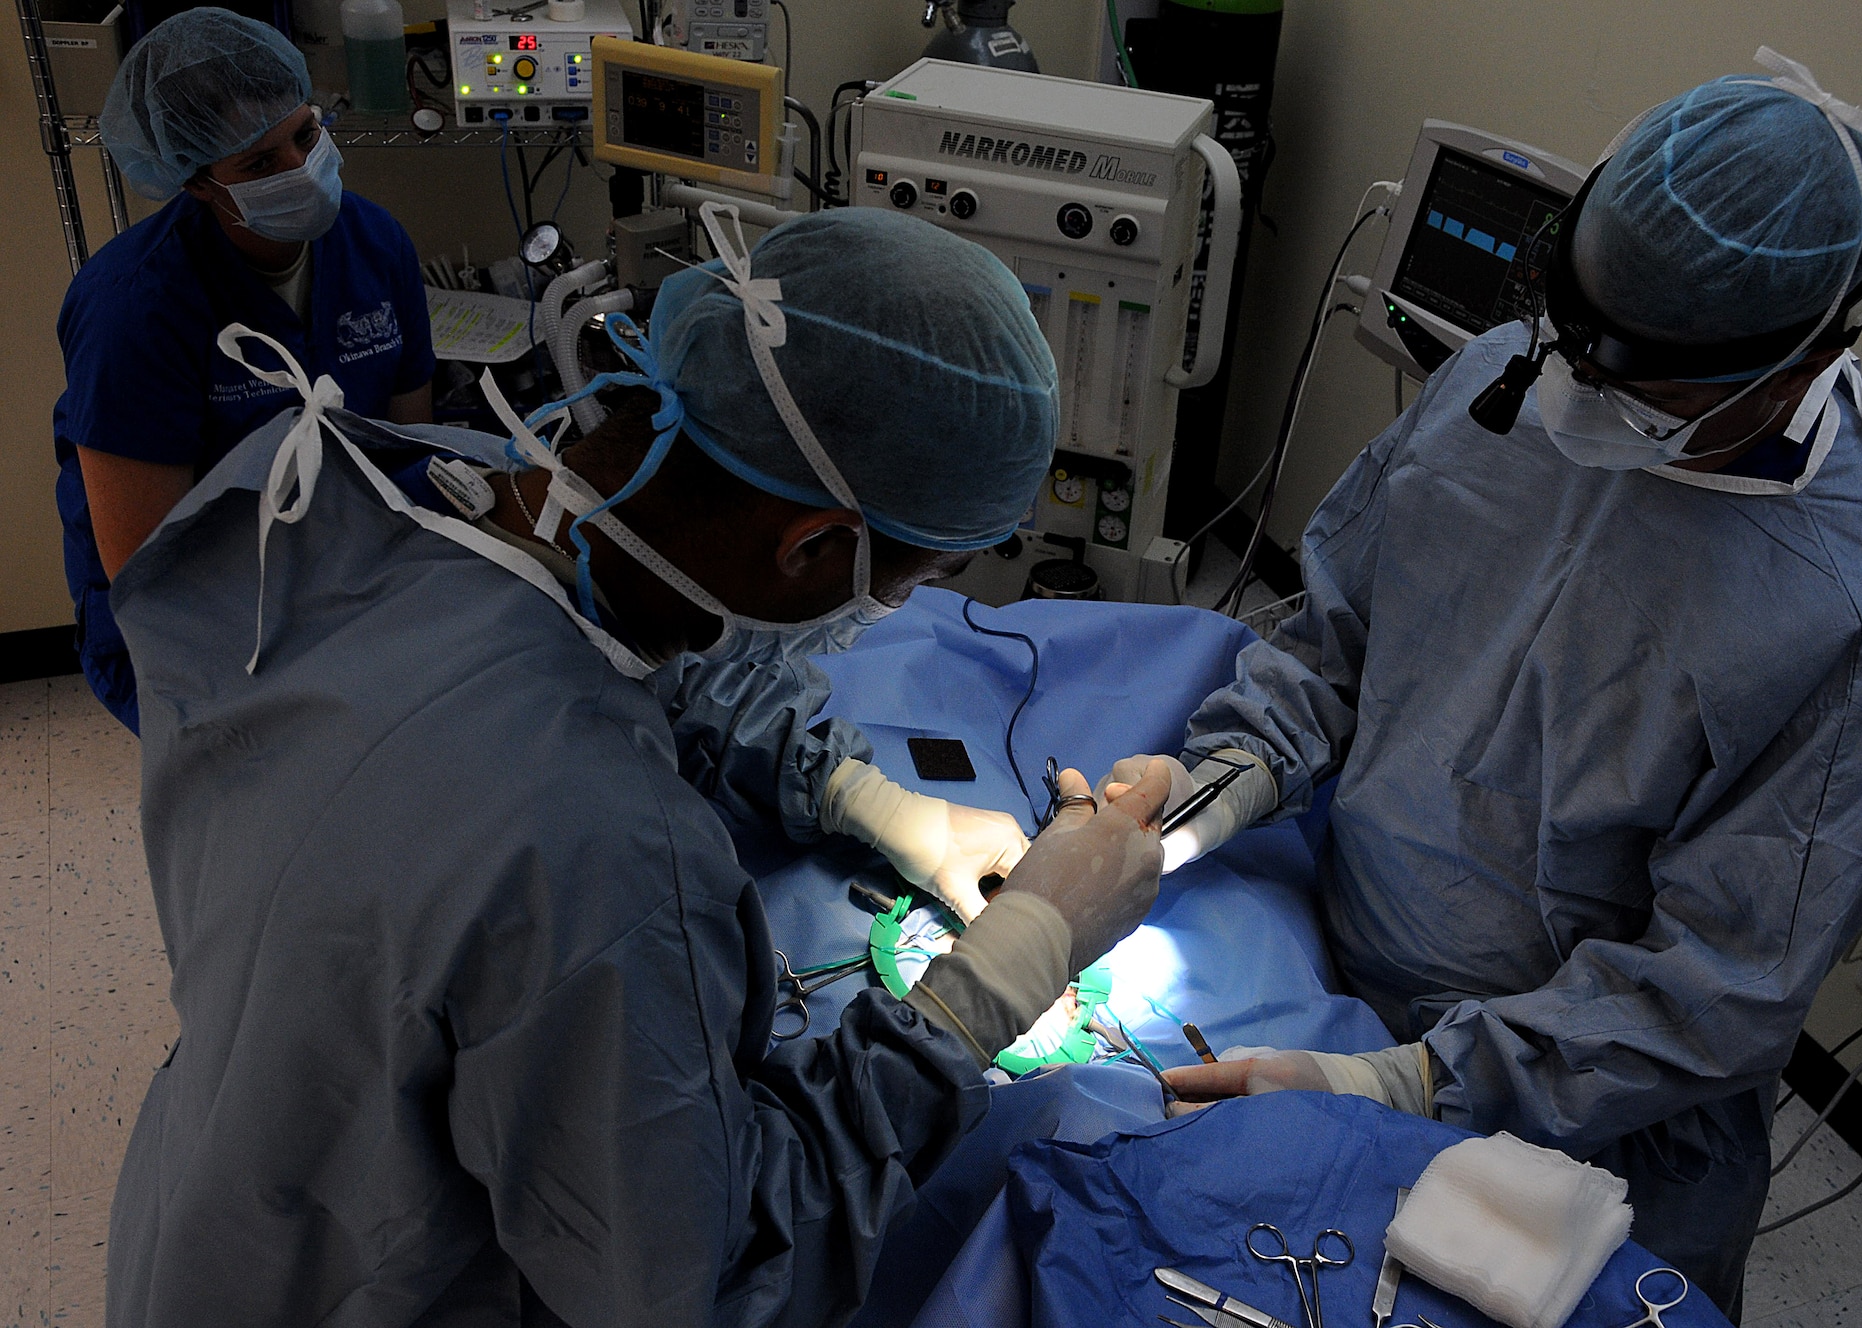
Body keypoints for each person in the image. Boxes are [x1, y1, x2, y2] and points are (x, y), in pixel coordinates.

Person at [104, 202, 1178, 1325]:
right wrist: (1000, 973)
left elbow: (644, 653)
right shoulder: (599, 853)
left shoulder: (389, 493)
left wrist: (865, 796)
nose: (886, 613)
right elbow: (700, 1276)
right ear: (810, 545)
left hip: (224, 1195)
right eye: (900, 585)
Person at [1109, 57, 1862, 1317]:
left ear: (1804, 356)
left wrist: (1399, 1085)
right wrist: (1203, 789)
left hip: (1583, 1128)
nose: (1580, 392)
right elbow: (1331, 644)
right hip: (1324, 964)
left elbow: (1707, 997)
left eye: (1643, 377)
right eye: (1569, 335)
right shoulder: (1507, 384)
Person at [55, 7, 434, 733]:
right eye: (260, 164)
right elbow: (147, 563)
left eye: (305, 135)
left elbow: (409, 450)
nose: (300, 170)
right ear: (196, 183)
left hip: (352, 573)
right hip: (200, 613)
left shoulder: (375, 243)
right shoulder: (131, 310)